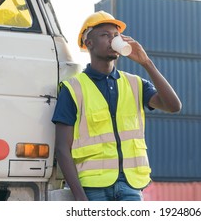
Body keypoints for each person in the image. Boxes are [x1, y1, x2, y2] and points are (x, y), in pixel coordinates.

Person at [52, 10, 182, 201]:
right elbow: (62, 148)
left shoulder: (136, 84)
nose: (113, 40)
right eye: (105, 35)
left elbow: (174, 106)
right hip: (93, 189)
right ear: (89, 43)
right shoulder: (73, 89)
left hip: (131, 187)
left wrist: (146, 62)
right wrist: (81, 198)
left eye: (116, 36)